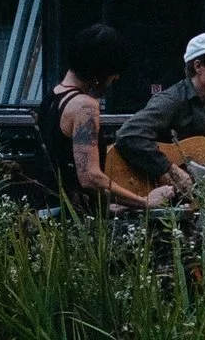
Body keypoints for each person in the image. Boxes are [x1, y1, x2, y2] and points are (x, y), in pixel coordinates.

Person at [111, 29, 205, 196]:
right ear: (198, 66)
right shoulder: (172, 100)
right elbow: (128, 134)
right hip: (160, 197)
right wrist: (170, 169)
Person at [42, 22, 150, 211]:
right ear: (100, 69)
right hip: (71, 221)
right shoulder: (85, 106)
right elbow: (90, 177)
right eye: (114, 72)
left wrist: (122, 204)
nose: (116, 79)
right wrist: (145, 202)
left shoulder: (53, 97)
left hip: (50, 211)